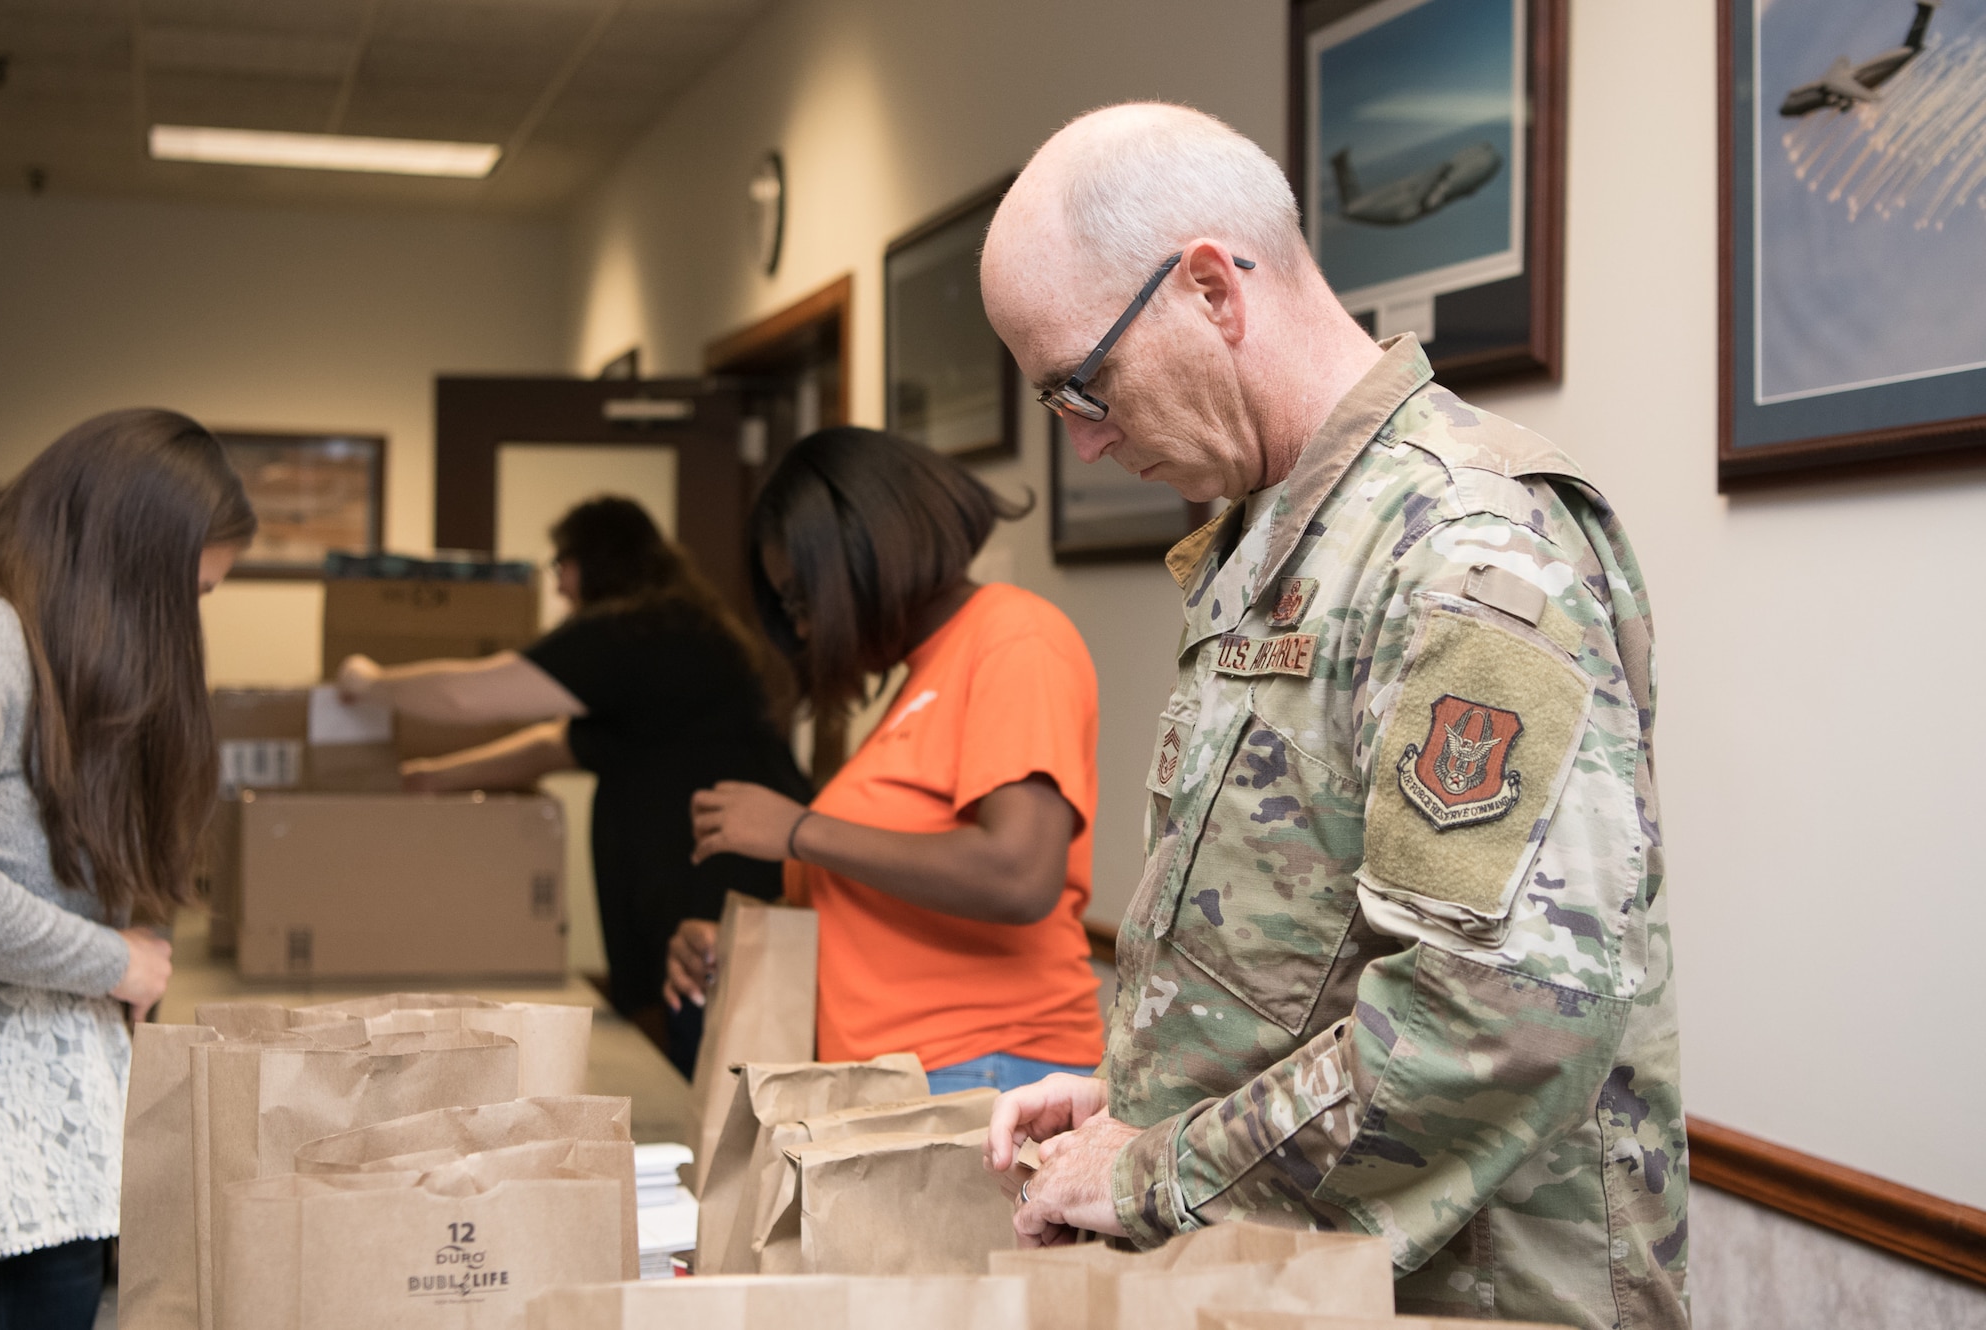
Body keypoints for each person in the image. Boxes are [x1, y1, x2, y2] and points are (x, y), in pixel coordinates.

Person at [976, 105, 1685, 1329]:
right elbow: (1293, 951)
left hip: (1474, 1291)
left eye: (1080, 385)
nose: (1084, 443)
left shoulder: (1467, 547)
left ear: (1208, 287)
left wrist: (1152, 1171)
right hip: (1298, 1275)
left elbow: (1492, 1019)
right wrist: (1140, 1099)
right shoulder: (1279, 534)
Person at [670, 428, 1105, 1095]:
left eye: (800, 598)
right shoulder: (924, 672)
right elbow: (886, 895)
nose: (807, 629)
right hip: (912, 1076)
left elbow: (1019, 875)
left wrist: (797, 831)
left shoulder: (1015, 636)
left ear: (865, 552)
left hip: (986, 1072)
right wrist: (735, 944)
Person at [336, 497, 806, 1074]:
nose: (560, 587)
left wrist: (369, 681)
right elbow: (555, 745)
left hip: (714, 887)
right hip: (701, 877)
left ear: (592, 563)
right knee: (695, 1051)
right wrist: (439, 777)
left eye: (562, 567)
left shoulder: (639, 630)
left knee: (715, 1060)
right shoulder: (674, 634)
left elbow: (469, 696)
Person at [0, 409, 255, 1329]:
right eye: (194, 590)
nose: (189, 618)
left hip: (45, 1167)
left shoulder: (59, 659)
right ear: (124, 558)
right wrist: (114, 960)